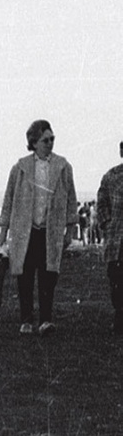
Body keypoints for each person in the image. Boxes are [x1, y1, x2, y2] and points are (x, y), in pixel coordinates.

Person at [0, 120, 79, 337]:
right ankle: (26, 320)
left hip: (50, 232)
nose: (50, 143)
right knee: (24, 275)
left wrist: (70, 229)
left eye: (52, 139)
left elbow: (71, 199)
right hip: (25, 231)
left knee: (48, 276)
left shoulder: (63, 167)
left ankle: (45, 321)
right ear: (33, 143)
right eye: (45, 140)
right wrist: (3, 229)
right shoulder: (20, 168)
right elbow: (8, 199)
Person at [98, 140, 123, 334]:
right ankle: (119, 317)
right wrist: (107, 224)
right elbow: (102, 203)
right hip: (117, 239)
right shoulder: (111, 177)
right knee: (116, 279)